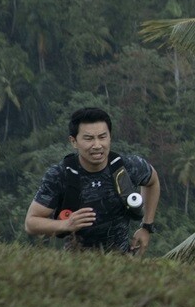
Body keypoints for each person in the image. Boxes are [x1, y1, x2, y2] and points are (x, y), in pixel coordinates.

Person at [25, 107, 161, 254]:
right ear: (74, 141)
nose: (97, 145)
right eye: (89, 138)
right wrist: (65, 224)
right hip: (75, 262)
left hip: (122, 260)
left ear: (110, 137)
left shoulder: (127, 167)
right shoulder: (60, 175)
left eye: (102, 137)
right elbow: (31, 223)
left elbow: (153, 181)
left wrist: (146, 227)